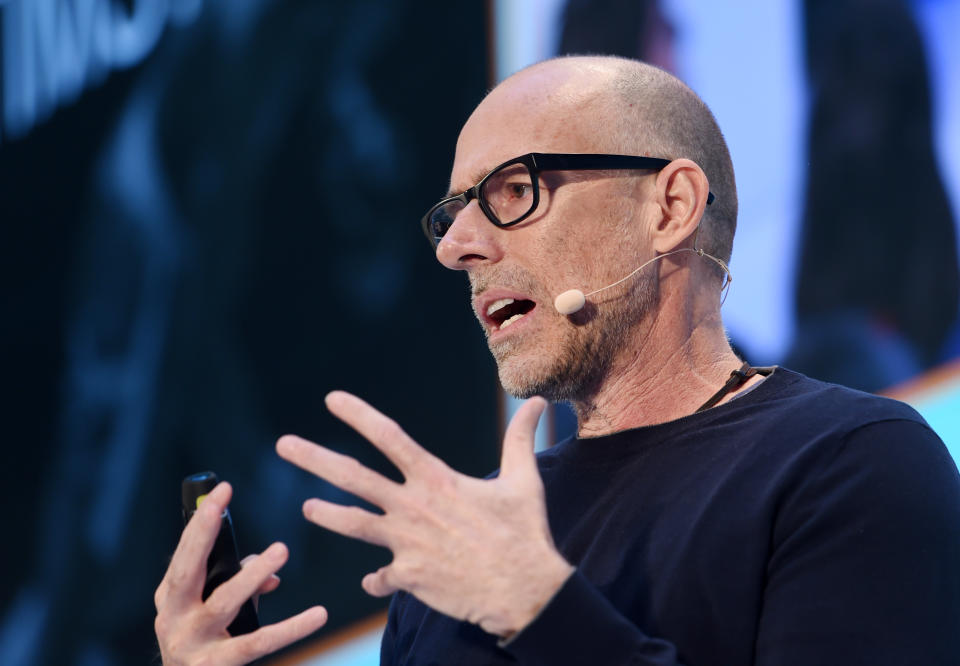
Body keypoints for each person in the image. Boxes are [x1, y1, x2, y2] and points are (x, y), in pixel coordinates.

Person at [153, 56, 960, 665]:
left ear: (670, 206)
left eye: (512, 191)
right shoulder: (462, 549)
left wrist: (537, 609)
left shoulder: (850, 463)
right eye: (452, 215)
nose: (460, 248)